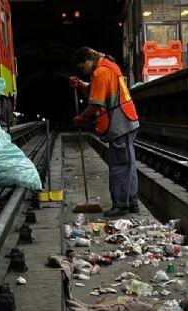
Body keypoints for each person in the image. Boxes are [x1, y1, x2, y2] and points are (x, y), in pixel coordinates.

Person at [69, 47, 140, 216]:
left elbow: (96, 104)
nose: (83, 71)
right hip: (128, 120)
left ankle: (121, 205)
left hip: (119, 124)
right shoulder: (110, 66)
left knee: (120, 166)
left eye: (82, 67)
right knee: (128, 165)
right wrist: (81, 84)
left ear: (88, 60)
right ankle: (132, 202)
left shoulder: (101, 72)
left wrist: (81, 117)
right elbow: (97, 89)